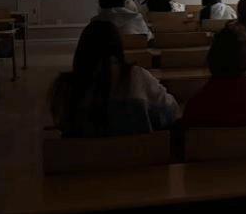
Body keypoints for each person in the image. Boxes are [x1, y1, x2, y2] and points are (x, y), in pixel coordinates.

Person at [48, 20, 179, 137]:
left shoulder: (64, 87)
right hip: (138, 154)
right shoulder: (137, 77)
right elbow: (170, 112)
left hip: (84, 156)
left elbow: (62, 125)